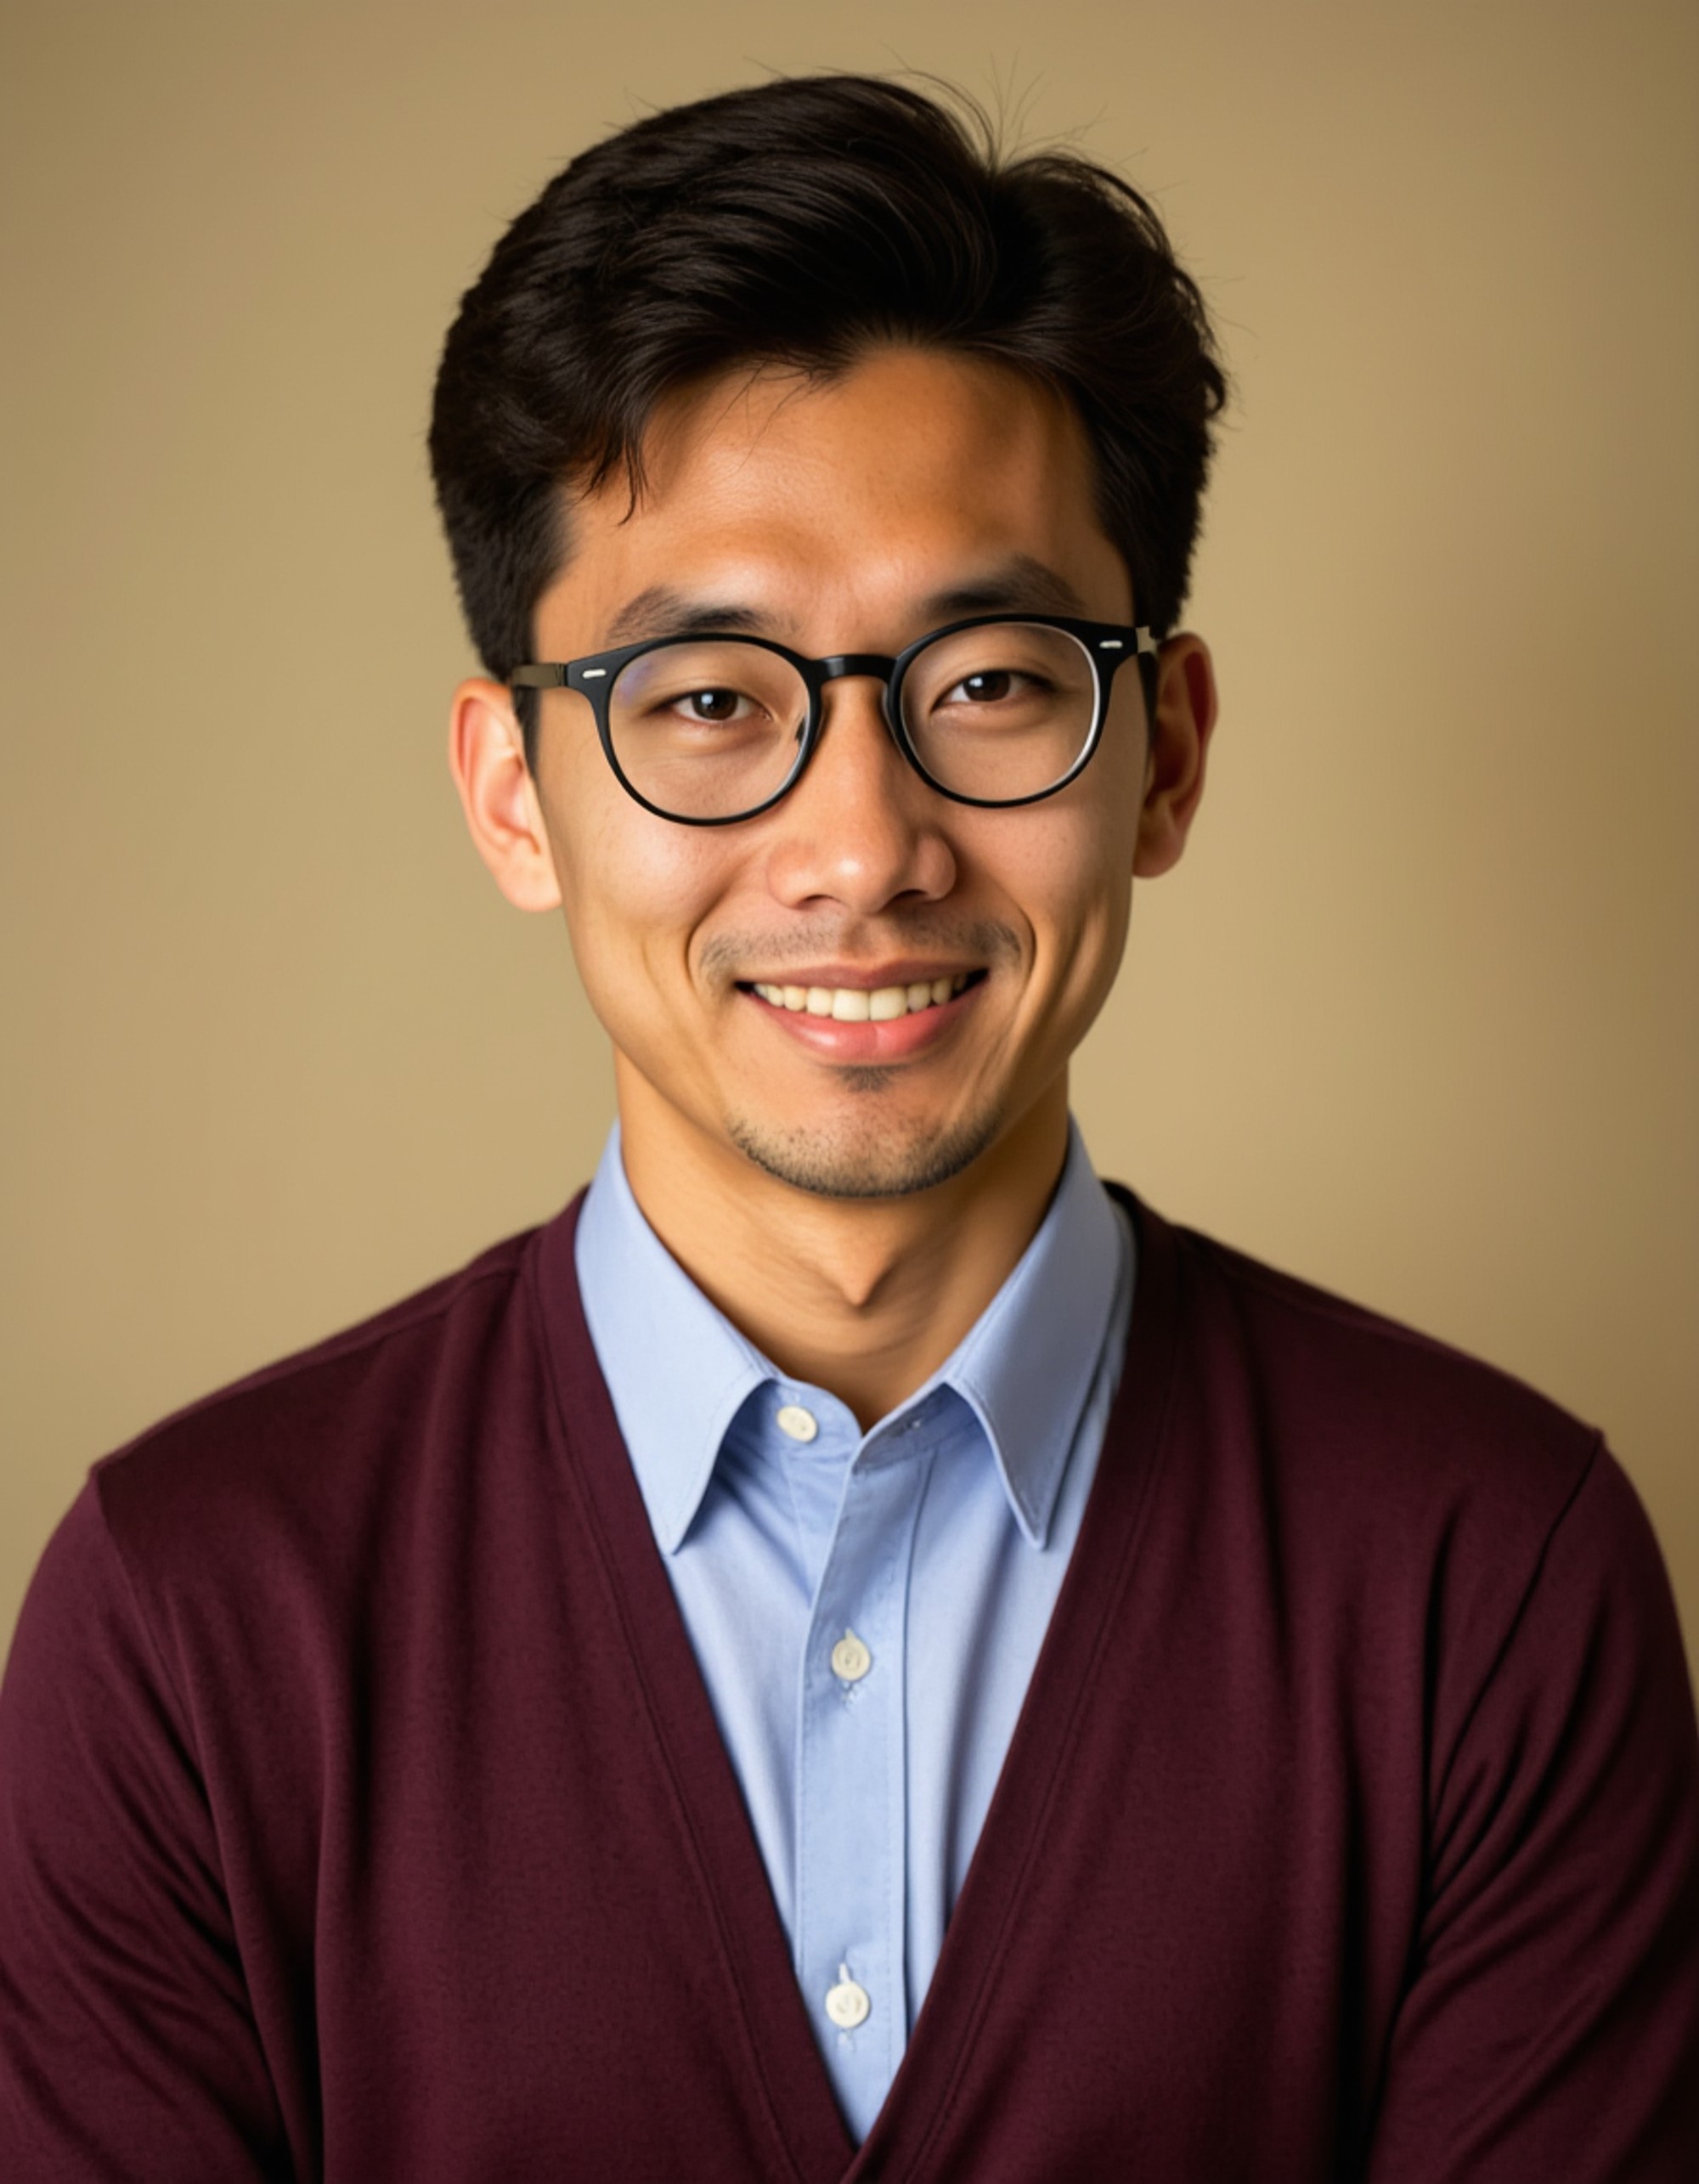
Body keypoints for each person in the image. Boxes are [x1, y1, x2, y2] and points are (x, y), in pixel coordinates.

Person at [2, 70, 1695, 2183]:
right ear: (514, 796)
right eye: (709, 700)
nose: (863, 845)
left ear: (1162, 757)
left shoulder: (1489, 1577)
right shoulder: (188, 1618)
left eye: (988, 679)